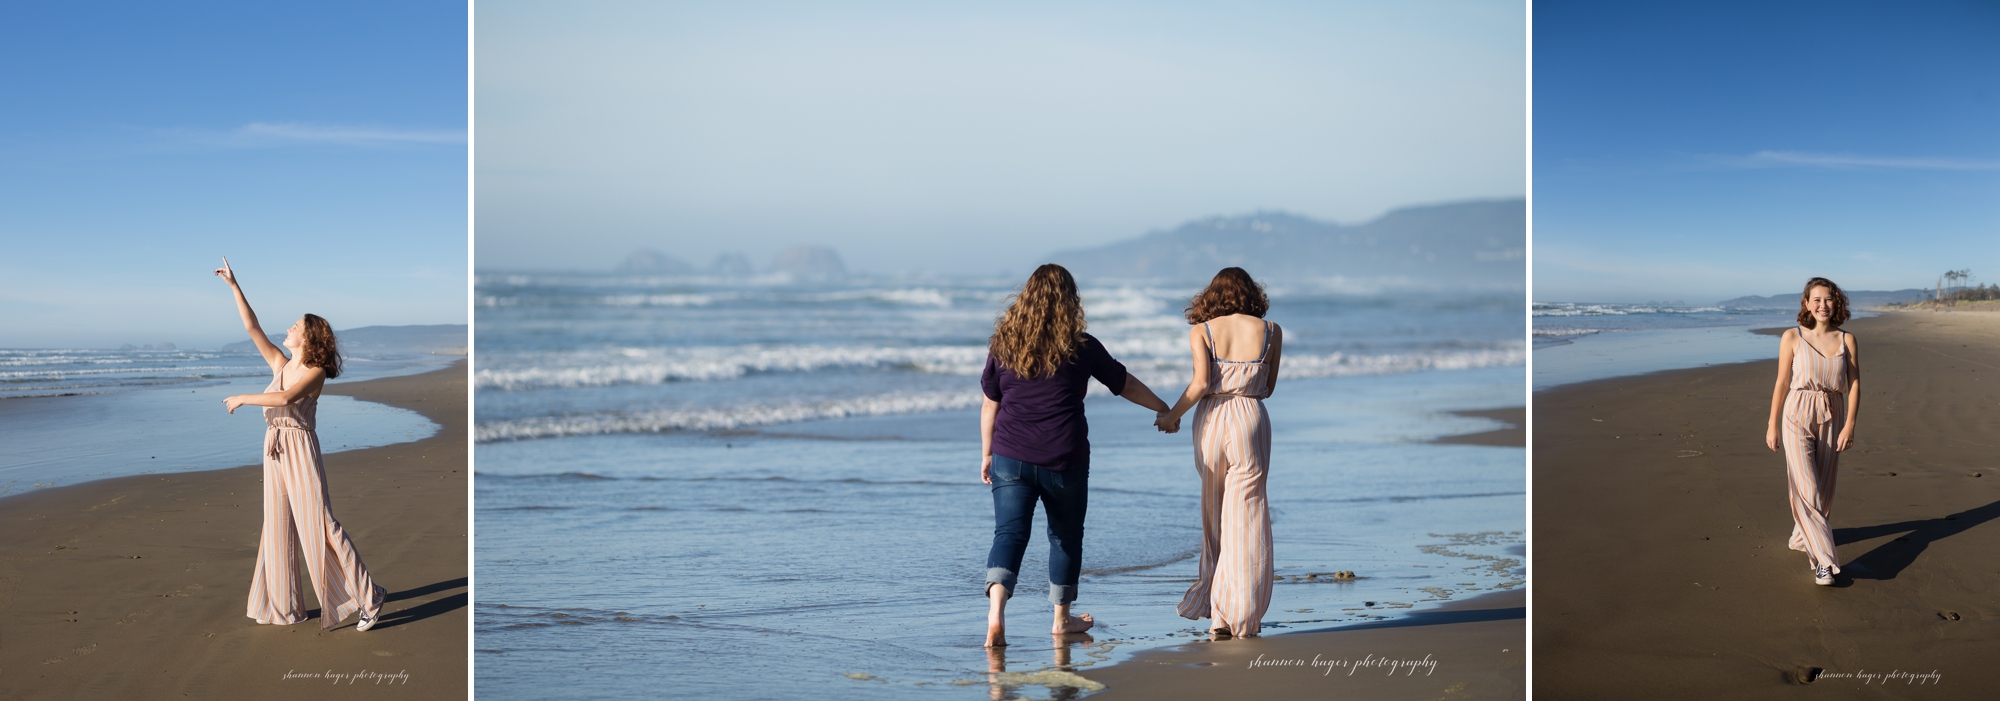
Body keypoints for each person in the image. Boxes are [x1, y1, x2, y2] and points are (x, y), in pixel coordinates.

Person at [979, 263, 1173, 648]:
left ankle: (996, 613)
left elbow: (990, 403)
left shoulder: (1005, 344)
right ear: (1070, 301)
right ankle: (1061, 620)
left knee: (1009, 533)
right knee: (1065, 537)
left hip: (1010, 456)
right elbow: (1124, 383)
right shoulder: (1081, 345)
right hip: (1064, 457)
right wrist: (1163, 407)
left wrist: (987, 453)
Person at [215, 257, 389, 630]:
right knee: (277, 524)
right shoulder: (280, 363)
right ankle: (284, 607)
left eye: (295, 326)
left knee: (321, 524)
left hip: (300, 449)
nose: (288, 328)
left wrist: (243, 397)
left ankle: (370, 596)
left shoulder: (315, 372)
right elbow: (252, 327)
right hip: (274, 448)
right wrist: (234, 285)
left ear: (308, 337)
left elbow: (284, 399)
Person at [1155, 267, 1281, 638]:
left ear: (1212, 296)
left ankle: (1217, 613)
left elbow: (1200, 384)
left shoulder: (1203, 331)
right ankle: (1242, 613)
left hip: (1211, 419)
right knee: (1248, 515)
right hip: (1250, 416)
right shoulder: (1271, 331)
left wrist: (1171, 416)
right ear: (1252, 294)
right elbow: (1268, 388)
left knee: (1214, 512)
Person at [1764, 276, 1860, 586]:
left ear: (1836, 303)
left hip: (1833, 412)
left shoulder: (1847, 340)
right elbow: (1782, 382)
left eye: (1828, 299)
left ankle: (1800, 536)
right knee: (1806, 487)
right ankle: (1824, 562)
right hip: (1797, 412)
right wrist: (1772, 424)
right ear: (1806, 304)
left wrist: (1850, 424)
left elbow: (1854, 385)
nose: (1822, 305)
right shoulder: (1792, 336)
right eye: (1816, 299)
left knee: (1825, 488)